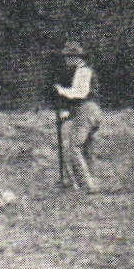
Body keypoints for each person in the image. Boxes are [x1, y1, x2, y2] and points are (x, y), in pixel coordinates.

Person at [53, 41, 101, 193]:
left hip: (86, 109)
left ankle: (85, 185)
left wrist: (62, 91)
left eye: (67, 57)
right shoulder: (82, 71)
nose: (66, 61)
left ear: (75, 57)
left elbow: (81, 93)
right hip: (90, 110)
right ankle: (91, 182)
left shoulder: (83, 71)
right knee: (87, 147)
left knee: (74, 147)